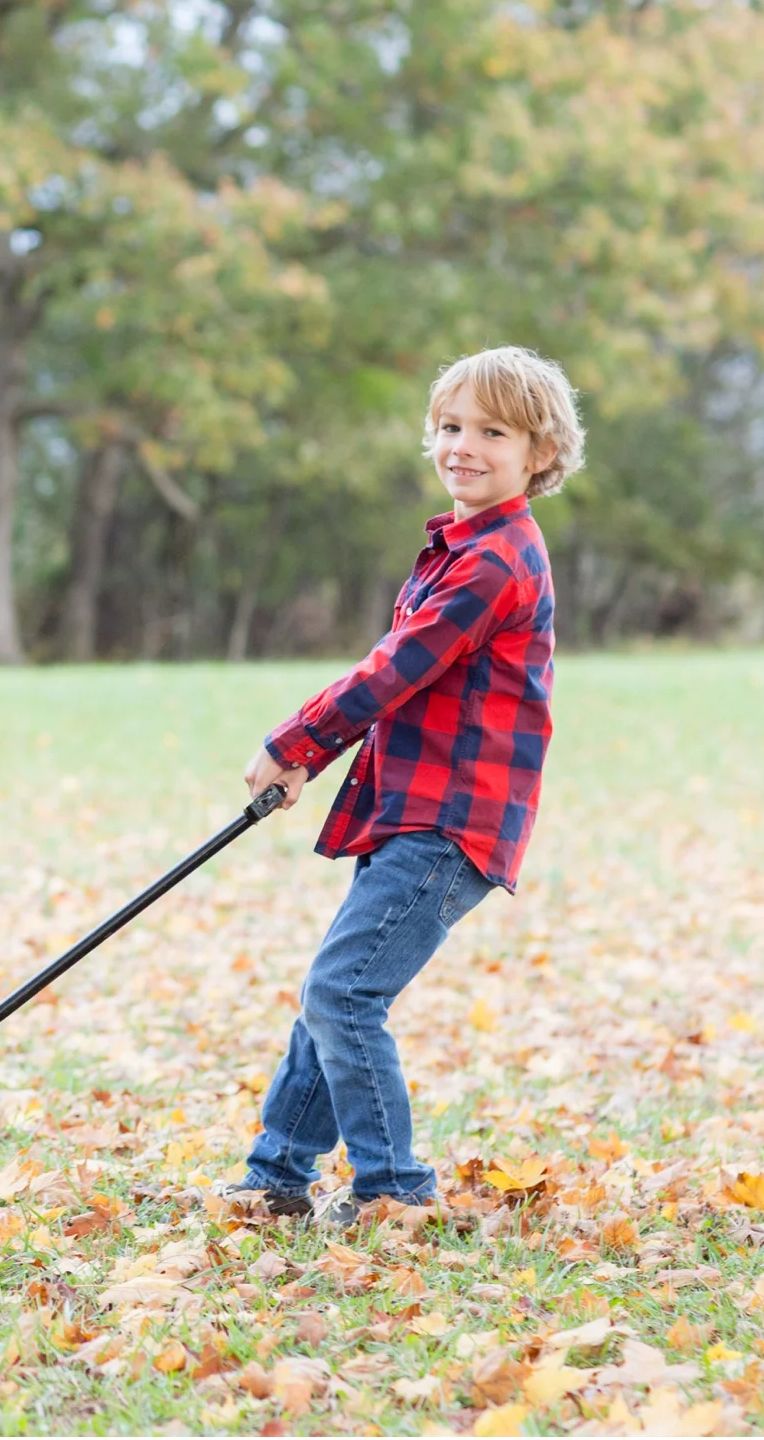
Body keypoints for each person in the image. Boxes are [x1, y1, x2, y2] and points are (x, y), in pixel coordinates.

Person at [229, 346, 584, 1227]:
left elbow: (396, 669)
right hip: (409, 810)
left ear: (538, 452)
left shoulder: (494, 562)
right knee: (334, 988)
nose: (463, 445)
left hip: (451, 821)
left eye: (491, 431)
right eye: (451, 426)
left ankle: (395, 1190)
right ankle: (278, 1175)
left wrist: (296, 742)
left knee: (344, 993)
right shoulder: (461, 546)